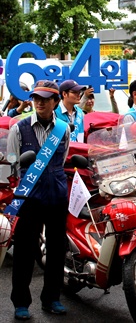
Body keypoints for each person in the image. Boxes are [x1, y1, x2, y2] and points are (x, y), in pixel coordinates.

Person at [7, 80, 71, 320]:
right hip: (29, 196)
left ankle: (52, 298)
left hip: (56, 196)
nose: (39, 103)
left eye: (45, 99)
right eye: (36, 98)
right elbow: (13, 160)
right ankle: (21, 302)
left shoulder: (64, 128)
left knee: (56, 250)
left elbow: (62, 160)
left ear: (55, 102)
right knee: (24, 251)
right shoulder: (19, 127)